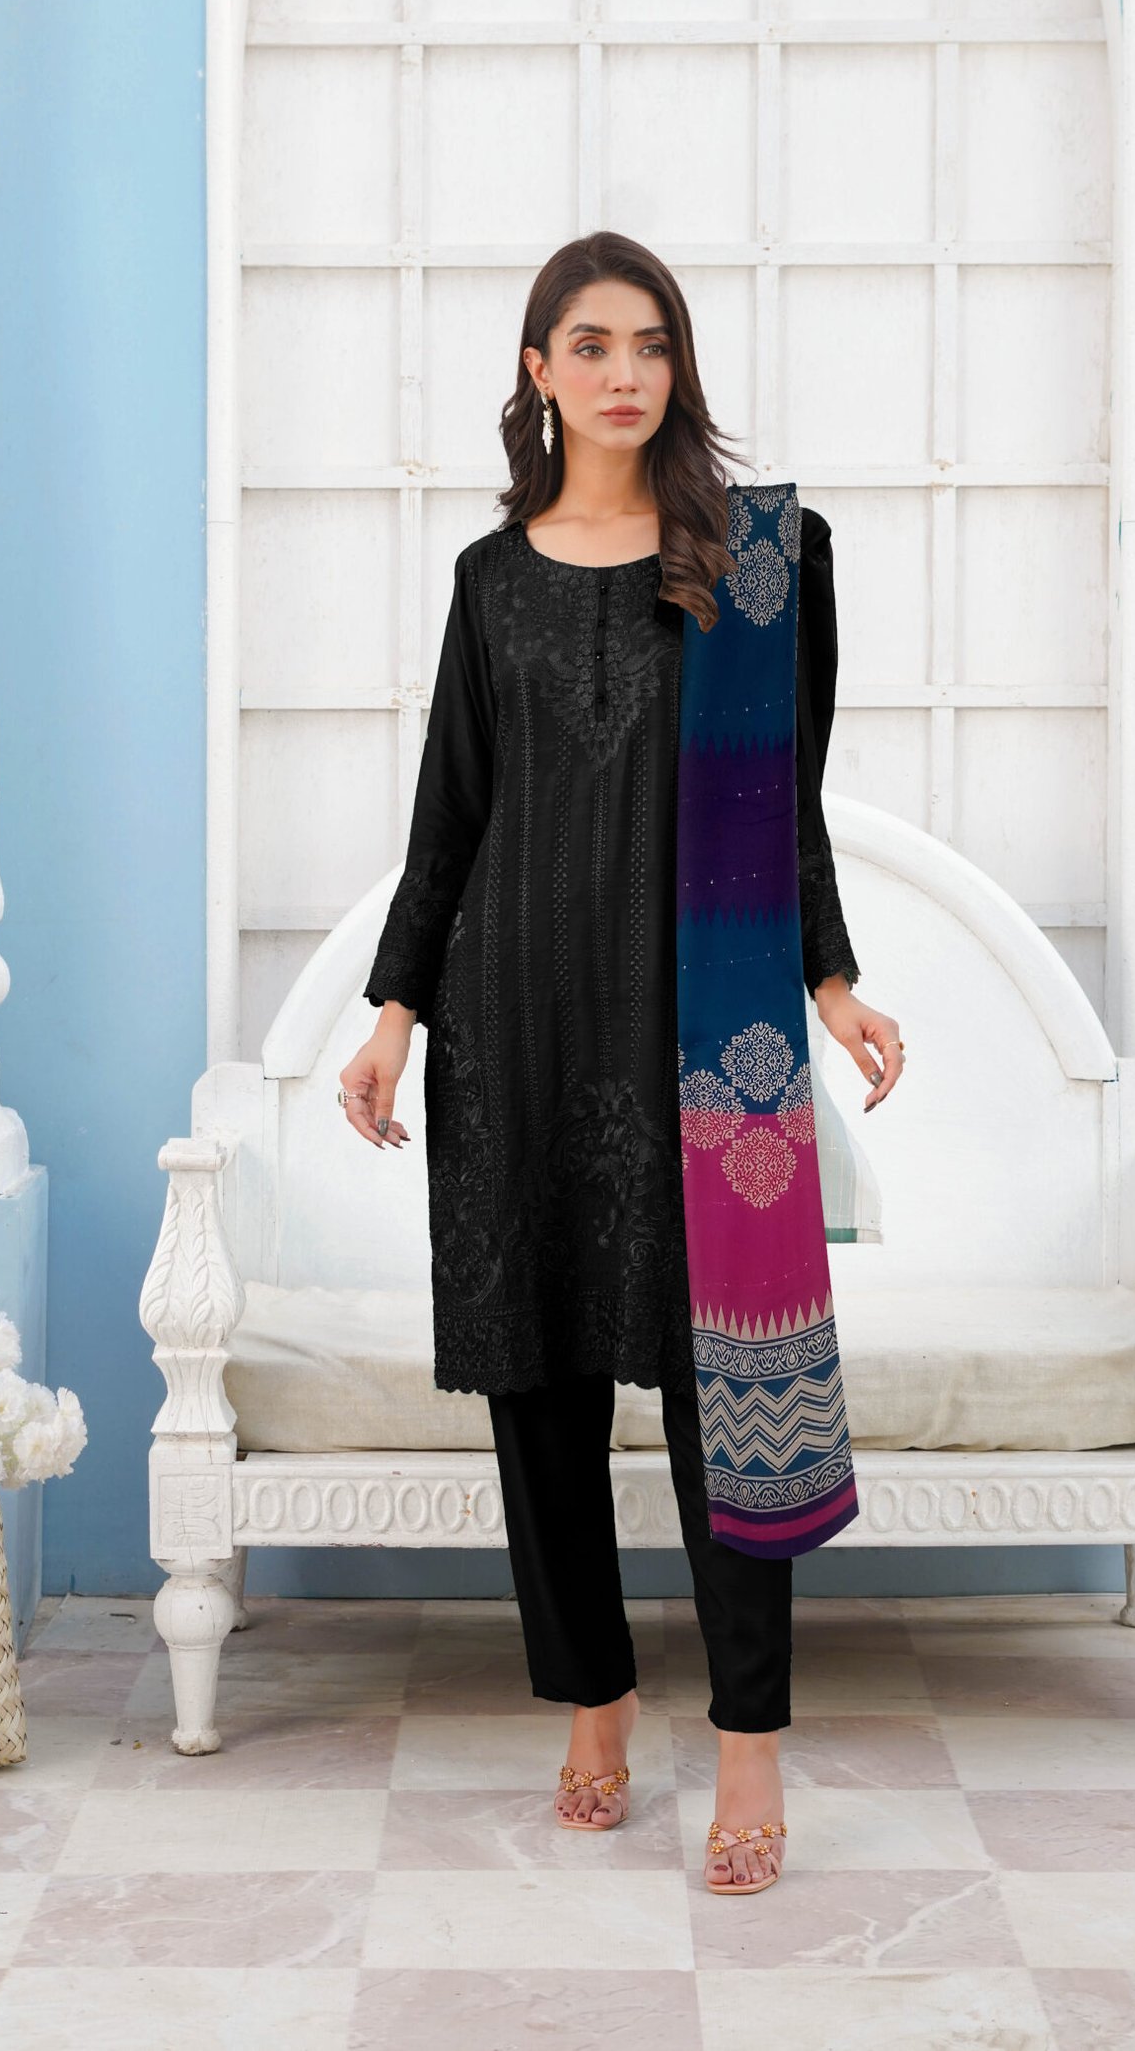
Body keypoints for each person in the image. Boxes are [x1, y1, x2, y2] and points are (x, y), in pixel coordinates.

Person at [337, 230, 904, 1893]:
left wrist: (832, 981)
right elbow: (451, 814)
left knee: (736, 1394)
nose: (624, 372)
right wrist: (395, 1012)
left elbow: (783, 801)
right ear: (539, 372)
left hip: (701, 1036)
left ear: (679, 365)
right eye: (588, 344)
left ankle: (750, 1745)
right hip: (514, 1024)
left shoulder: (757, 563)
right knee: (543, 1393)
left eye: (649, 343)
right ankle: (593, 1703)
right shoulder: (488, 579)